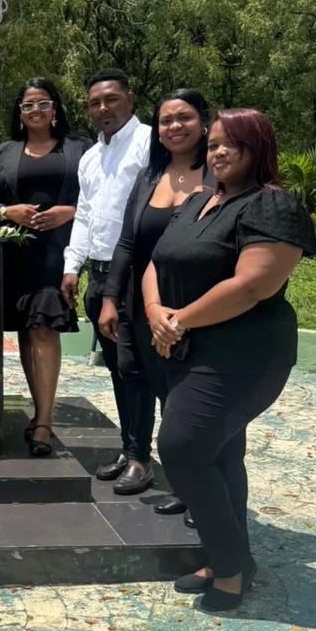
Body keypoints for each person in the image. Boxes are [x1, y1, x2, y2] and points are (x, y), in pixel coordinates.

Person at [143, 108, 316, 611]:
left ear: (256, 148)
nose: (217, 152)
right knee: (219, 454)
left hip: (243, 354)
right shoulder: (200, 200)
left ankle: (232, 567)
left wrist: (178, 321)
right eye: (213, 144)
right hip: (186, 345)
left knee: (180, 449)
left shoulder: (271, 205)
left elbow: (253, 285)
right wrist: (156, 312)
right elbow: (157, 261)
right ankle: (228, 561)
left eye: (230, 145)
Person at [98, 89, 212, 518]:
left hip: (193, 304)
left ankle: (191, 484)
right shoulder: (149, 176)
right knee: (134, 376)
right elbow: (128, 242)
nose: (174, 127)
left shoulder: (217, 173)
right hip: (138, 302)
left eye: (183, 118)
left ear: (203, 121)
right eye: (165, 120)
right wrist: (111, 297)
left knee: (181, 394)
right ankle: (136, 458)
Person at [0, 78, 89, 455]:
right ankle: (39, 411)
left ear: (55, 109)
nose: (36, 111)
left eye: (43, 104)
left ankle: (43, 422)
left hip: (58, 253)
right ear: (19, 114)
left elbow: (101, 198)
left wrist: (68, 212)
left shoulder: (80, 149)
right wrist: (9, 211)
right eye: (28, 106)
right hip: (13, 254)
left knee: (43, 329)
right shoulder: (3, 153)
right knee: (27, 331)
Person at [60, 69, 152, 492]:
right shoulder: (90, 157)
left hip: (135, 275)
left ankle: (141, 457)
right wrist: (71, 266)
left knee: (137, 369)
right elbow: (85, 215)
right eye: (95, 103)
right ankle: (129, 447)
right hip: (98, 276)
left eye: (111, 100)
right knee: (117, 369)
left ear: (129, 100)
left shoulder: (149, 143)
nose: (103, 109)